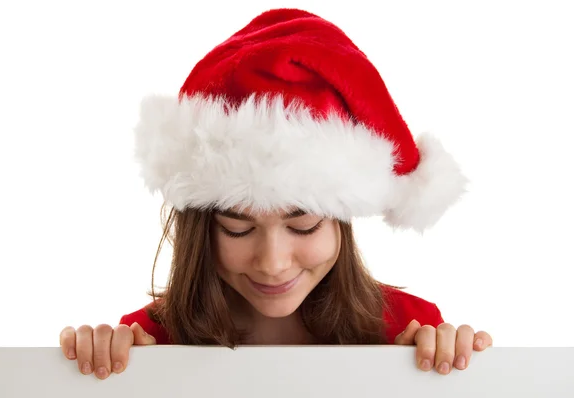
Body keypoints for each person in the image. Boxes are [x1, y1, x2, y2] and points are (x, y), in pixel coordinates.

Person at [59, 8, 492, 380]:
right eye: (237, 228)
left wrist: (452, 372)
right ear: (201, 228)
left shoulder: (410, 332)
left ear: (340, 219)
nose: (272, 262)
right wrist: (89, 367)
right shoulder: (145, 344)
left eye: (302, 225)